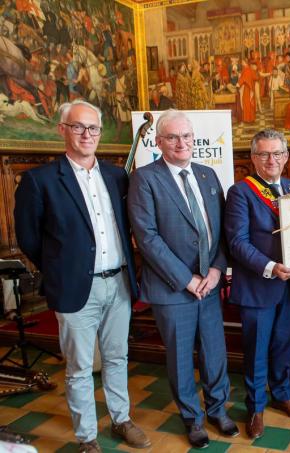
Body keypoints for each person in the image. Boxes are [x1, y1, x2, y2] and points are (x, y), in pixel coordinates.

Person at [14, 100, 150, 453]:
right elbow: (28, 237)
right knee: (79, 367)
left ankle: (121, 419)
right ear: (62, 130)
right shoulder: (38, 180)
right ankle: (86, 436)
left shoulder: (116, 176)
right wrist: (60, 269)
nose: (86, 134)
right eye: (78, 127)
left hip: (119, 282)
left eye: (93, 128)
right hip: (75, 287)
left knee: (117, 357)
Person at [128, 110, 236, 449]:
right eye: (173, 137)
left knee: (215, 352)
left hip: (210, 283)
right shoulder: (145, 178)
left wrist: (217, 270)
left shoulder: (207, 175)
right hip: (173, 288)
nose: (181, 143)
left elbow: (221, 230)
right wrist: (185, 278)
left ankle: (218, 409)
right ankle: (193, 418)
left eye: (187, 136)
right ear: (158, 142)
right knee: (180, 358)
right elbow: (146, 237)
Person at [224, 129, 290, 439]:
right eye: (263, 154)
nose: (271, 159)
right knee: (257, 350)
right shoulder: (241, 192)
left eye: (277, 153)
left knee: (283, 345)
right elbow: (237, 242)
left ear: (286, 157)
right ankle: (256, 406)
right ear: (253, 158)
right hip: (259, 285)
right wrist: (272, 268)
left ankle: (282, 395)